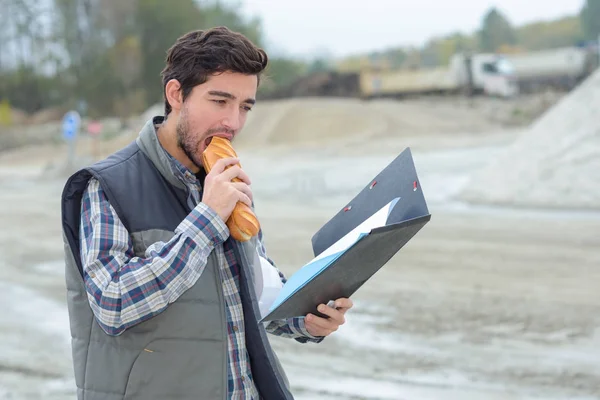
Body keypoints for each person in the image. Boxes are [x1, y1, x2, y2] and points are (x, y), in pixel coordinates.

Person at [60, 26, 353, 400]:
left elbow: (252, 293)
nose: (233, 122)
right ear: (176, 94)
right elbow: (113, 304)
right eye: (220, 101)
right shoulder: (108, 185)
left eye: (245, 106)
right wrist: (207, 219)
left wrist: (306, 319)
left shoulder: (224, 178)